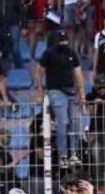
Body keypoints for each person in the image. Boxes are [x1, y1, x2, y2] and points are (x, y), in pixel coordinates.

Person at [35, 29, 85, 169]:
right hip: (56, 90)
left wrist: (81, 95)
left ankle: (74, 154)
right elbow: (38, 72)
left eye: (65, 41)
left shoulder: (71, 53)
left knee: (75, 123)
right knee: (63, 123)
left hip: (71, 91)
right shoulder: (49, 53)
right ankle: (63, 156)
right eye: (62, 41)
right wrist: (40, 91)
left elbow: (78, 74)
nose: (64, 43)